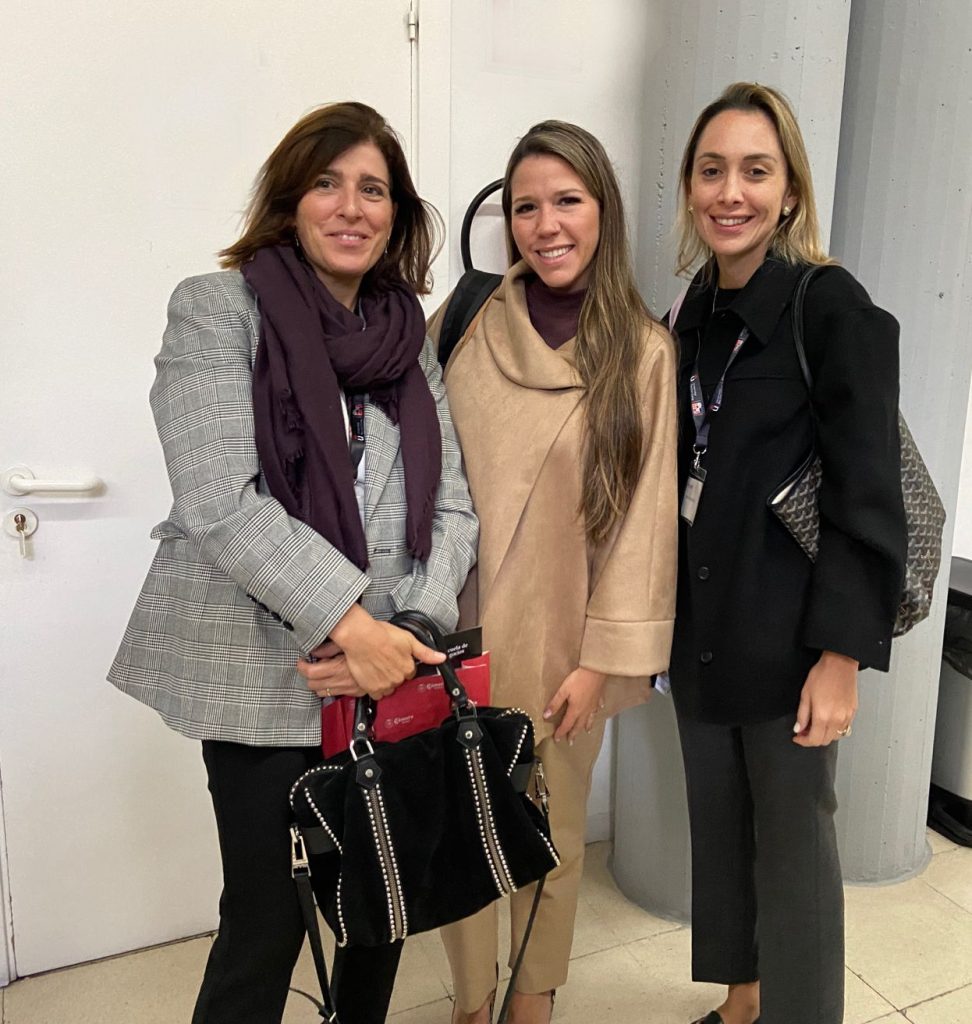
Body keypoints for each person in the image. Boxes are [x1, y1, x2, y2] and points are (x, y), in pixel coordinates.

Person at [109, 101, 478, 1024]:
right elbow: (220, 501)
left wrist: (410, 631)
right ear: (288, 198)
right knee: (266, 922)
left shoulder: (404, 335)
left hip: (390, 671)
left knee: (379, 911)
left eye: (374, 189)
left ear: (397, 214)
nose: (351, 207)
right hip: (262, 672)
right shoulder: (216, 309)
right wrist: (353, 625)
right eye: (328, 183)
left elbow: (454, 503)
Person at [666, 82, 908, 1024]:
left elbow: (867, 496)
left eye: (756, 171)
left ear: (790, 191)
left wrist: (841, 657)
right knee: (722, 836)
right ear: (690, 188)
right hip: (704, 636)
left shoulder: (829, 307)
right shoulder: (693, 312)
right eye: (713, 169)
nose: (733, 191)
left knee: (795, 852)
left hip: (792, 644)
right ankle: (742, 1005)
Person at [429, 121, 678, 1024]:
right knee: (463, 833)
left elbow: (648, 523)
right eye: (526, 206)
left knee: (549, 839)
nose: (546, 224)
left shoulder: (642, 352)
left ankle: (531, 1003)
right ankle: (469, 1001)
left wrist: (604, 661)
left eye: (567, 200)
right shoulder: (463, 325)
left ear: (603, 211)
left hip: (567, 641)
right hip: (457, 638)